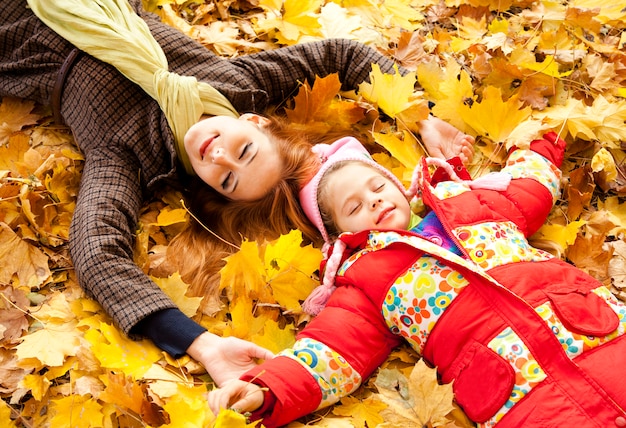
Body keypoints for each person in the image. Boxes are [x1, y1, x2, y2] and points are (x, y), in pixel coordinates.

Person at [0, 0, 473, 385]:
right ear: (255, 122)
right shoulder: (236, 86)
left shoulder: (127, 156)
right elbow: (341, 55)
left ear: (208, 188)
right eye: (244, 149)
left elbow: (97, 252)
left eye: (226, 178)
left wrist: (202, 345)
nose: (219, 155)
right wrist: (423, 117)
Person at [208, 135, 626, 427]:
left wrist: (540, 151)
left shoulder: (467, 203)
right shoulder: (367, 278)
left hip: (595, 333)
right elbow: (334, 348)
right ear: (341, 235)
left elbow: (527, 192)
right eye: (354, 206)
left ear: (397, 186)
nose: (373, 200)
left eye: (376, 186)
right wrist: (270, 390)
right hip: (520, 392)